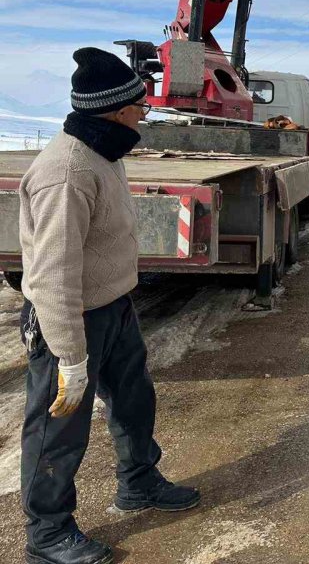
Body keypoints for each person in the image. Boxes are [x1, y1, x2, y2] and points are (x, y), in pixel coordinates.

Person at [18, 48, 200, 564]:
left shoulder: (103, 150)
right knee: (58, 429)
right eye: (139, 106)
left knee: (135, 403)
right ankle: (47, 534)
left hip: (113, 307)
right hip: (71, 320)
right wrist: (71, 358)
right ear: (115, 111)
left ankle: (139, 482)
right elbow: (52, 277)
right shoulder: (68, 172)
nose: (145, 112)